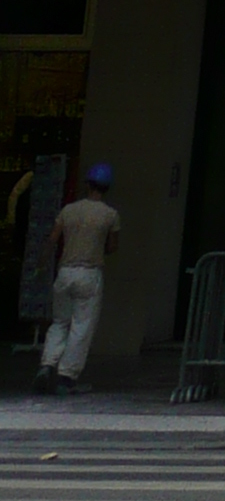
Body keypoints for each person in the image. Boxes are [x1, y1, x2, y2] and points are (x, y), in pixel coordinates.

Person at [34, 161, 119, 395]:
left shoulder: (68, 210)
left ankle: (47, 363)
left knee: (60, 322)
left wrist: (40, 263)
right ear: (107, 187)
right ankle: (66, 377)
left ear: (87, 184)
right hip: (90, 274)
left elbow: (52, 240)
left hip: (65, 273)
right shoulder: (110, 215)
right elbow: (112, 247)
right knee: (81, 327)